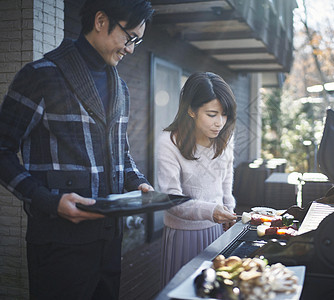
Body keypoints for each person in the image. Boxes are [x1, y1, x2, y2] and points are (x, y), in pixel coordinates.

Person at [0, 0, 154, 299]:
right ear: (100, 20)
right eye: (129, 37)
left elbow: (120, 153)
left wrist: (138, 183)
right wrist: (47, 199)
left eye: (138, 41)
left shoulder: (120, 87)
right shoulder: (41, 75)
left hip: (110, 241)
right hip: (58, 245)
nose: (131, 49)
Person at [157, 72, 238, 287]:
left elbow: (225, 181)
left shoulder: (226, 138)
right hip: (183, 234)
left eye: (224, 114)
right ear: (191, 110)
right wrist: (212, 210)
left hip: (218, 229)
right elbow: (171, 199)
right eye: (212, 114)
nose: (219, 123)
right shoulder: (168, 142)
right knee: (184, 289)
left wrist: (229, 210)